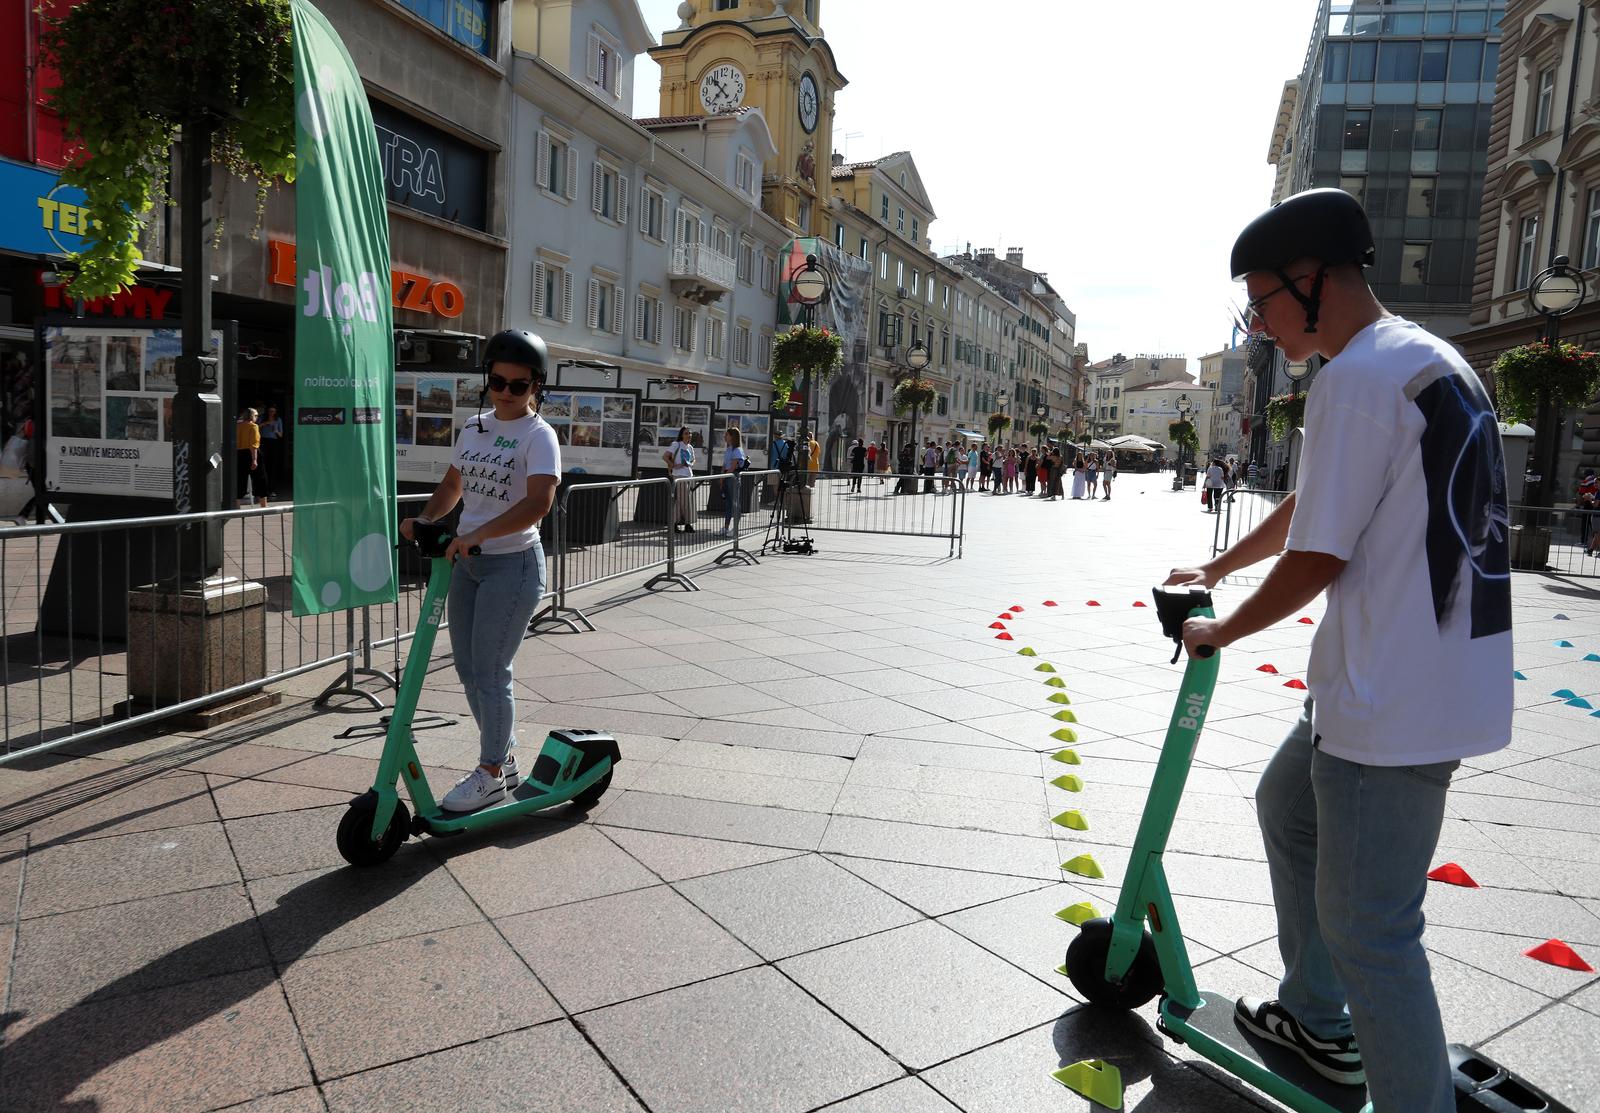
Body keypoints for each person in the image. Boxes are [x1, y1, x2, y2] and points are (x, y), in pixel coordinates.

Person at [1168, 188, 1512, 1113]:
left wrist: (1221, 626)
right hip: (1423, 680)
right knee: (1288, 803)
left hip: (1389, 700)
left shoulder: (1356, 379)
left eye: (1263, 298)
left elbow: (1321, 551)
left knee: (1374, 931)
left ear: (1313, 281)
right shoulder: (1420, 361)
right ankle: (1316, 1019)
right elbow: (1315, 503)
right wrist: (1216, 560)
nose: (1258, 322)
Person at [400, 329, 560, 813]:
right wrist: (429, 520)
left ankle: (490, 773)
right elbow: (453, 482)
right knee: (470, 671)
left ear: (536, 387)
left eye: (519, 385)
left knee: (491, 672)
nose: (506, 393)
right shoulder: (474, 428)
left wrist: (478, 535)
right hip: (466, 565)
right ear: (486, 380)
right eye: (498, 382)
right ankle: (504, 758)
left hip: (511, 565)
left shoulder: (539, 435)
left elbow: (539, 502)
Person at [664, 425, 696, 532]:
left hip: (688, 475)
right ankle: (687, 523)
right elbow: (665, 456)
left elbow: (693, 460)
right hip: (679, 475)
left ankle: (675, 524)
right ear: (681, 435)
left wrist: (690, 463)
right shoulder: (676, 444)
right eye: (686, 433)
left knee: (681, 501)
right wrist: (673, 465)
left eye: (690, 433)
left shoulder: (690, 447)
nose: (689, 435)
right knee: (685, 500)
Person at [720, 426, 747, 536]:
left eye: (726, 435)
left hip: (732, 476)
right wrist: (722, 477)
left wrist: (724, 476)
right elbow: (725, 464)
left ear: (732, 436)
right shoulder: (729, 448)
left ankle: (735, 528)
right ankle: (726, 527)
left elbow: (733, 466)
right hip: (727, 475)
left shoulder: (737, 450)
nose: (724, 436)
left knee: (735, 502)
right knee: (728, 503)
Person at [235, 407, 262, 509]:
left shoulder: (237, 425)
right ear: (252, 416)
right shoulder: (253, 426)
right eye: (256, 415)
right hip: (249, 453)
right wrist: (254, 459)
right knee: (259, 479)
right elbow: (253, 445)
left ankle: (237, 506)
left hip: (238, 453)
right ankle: (263, 505)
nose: (257, 417)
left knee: (240, 480)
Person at [258, 404, 284, 499]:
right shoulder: (262, 418)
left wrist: (276, 430)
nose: (271, 413)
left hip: (273, 442)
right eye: (270, 411)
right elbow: (256, 427)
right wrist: (265, 423)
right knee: (264, 464)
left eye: (273, 411)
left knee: (273, 465)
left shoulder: (278, 419)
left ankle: (272, 489)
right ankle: (263, 489)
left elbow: (281, 435)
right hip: (264, 441)